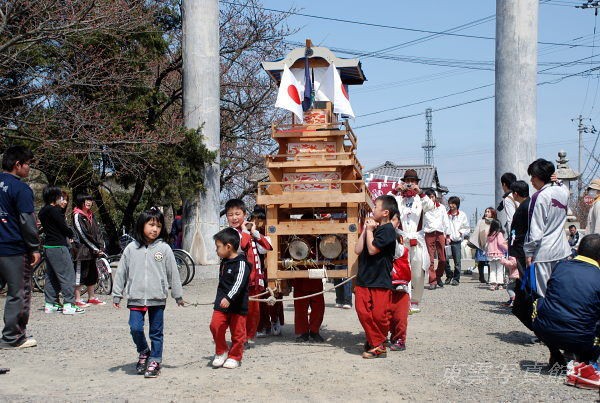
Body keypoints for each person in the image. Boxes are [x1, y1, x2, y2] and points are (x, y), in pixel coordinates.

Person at [112, 208, 184, 378]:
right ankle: (144, 350)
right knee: (135, 328)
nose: (155, 229)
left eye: (158, 226)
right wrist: (117, 293)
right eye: (151, 225)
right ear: (141, 225)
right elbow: (121, 271)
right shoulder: (131, 248)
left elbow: (173, 272)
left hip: (157, 297)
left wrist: (177, 295)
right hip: (136, 297)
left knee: (156, 332)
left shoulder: (165, 248)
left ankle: (155, 360)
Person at [531, 234, 600, 373]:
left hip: (547, 331)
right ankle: (586, 358)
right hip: (581, 337)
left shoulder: (561, 266)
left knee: (541, 303)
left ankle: (555, 352)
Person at [0, 146, 40, 349]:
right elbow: (26, 221)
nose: (29, 169)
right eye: (28, 164)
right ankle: (13, 337)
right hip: (13, 247)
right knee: (19, 292)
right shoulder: (21, 188)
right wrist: (34, 247)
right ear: (18, 165)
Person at [354, 195, 397, 359]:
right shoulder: (371, 229)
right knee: (362, 311)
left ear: (385, 212)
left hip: (380, 279)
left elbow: (372, 250)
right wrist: (366, 230)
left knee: (379, 315)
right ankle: (378, 343)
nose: (372, 210)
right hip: (364, 278)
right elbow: (358, 250)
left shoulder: (388, 230)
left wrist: (370, 231)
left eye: (375, 207)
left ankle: (376, 343)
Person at [224, 199, 272, 343]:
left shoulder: (250, 233)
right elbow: (242, 246)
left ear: (244, 214)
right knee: (238, 311)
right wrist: (245, 231)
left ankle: (249, 337)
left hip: (253, 279)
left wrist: (255, 232)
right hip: (237, 280)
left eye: (237, 214)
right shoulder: (228, 234)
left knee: (254, 311)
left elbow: (267, 247)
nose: (234, 218)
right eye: (230, 214)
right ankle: (239, 338)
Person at [524, 158, 571, 297]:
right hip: (562, 250)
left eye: (533, 177)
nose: (531, 181)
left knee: (542, 295)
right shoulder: (563, 192)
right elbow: (564, 187)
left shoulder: (539, 196)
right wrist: (558, 181)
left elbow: (536, 229)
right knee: (560, 293)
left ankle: (543, 318)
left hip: (544, 252)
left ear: (539, 177)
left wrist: (529, 252)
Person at [389, 169, 434, 313]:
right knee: (402, 270)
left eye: (412, 181)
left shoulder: (420, 199)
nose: (409, 184)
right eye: (407, 181)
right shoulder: (398, 198)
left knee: (418, 272)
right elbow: (386, 203)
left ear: (417, 183)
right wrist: (396, 191)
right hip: (401, 239)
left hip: (416, 240)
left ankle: (415, 301)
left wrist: (420, 192)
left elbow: (430, 206)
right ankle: (403, 301)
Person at [209, 227, 251, 369]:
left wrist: (229, 298)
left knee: (238, 333)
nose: (216, 250)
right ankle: (221, 351)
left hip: (237, 305)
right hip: (221, 303)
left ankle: (235, 356)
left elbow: (239, 283)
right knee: (215, 325)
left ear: (228, 247)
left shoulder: (242, 263)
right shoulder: (224, 261)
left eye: (218, 247)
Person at [38, 186, 84, 315]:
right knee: (68, 275)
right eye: (60, 197)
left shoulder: (42, 211)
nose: (62, 200)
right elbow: (64, 228)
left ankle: (50, 303)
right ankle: (69, 304)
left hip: (48, 246)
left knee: (51, 276)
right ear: (55, 197)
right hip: (59, 246)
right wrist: (70, 234)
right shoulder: (55, 211)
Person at [72, 194, 106, 307]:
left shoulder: (91, 215)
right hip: (81, 250)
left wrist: (101, 246)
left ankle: (91, 297)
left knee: (92, 274)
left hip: (92, 251)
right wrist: (95, 248)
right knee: (80, 274)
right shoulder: (77, 215)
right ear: (81, 201)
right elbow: (83, 234)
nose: (89, 202)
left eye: (91, 200)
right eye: (86, 200)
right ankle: (77, 299)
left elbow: (98, 232)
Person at [388, 210, 411, 352]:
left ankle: (400, 339)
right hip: (388, 288)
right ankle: (390, 337)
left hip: (401, 290)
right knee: (387, 316)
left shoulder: (402, 251)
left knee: (400, 318)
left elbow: (395, 248)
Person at [422, 189, 448, 289]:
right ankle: (432, 281)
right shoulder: (424, 208)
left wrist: (447, 234)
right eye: (429, 197)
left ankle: (438, 276)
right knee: (430, 258)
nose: (431, 199)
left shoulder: (441, 207)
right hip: (429, 233)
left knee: (443, 259)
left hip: (440, 233)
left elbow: (445, 220)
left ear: (435, 197)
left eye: (432, 197)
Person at [445, 196, 470, 286]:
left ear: (457, 205)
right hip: (447, 240)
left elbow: (466, 228)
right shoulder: (445, 214)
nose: (451, 205)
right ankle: (449, 275)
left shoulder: (462, 215)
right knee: (444, 260)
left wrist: (460, 233)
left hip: (456, 240)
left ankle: (456, 279)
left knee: (457, 261)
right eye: (450, 203)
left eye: (453, 203)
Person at [469, 208, 496, 283]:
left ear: (492, 213)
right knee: (481, 262)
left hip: (491, 245)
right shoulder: (481, 221)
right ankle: (481, 277)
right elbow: (477, 232)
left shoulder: (494, 222)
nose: (486, 213)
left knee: (491, 262)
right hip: (481, 244)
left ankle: (491, 277)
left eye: (488, 212)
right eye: (486, 211)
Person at [486, 219, 508, 291]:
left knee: (492, 269)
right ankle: (500, 284)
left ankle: (492, 284)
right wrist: (507, 249)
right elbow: (501, 243)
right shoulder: (499, 234)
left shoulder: (489, 234)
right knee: (500, 269)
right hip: (499, 254)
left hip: (490, 255)